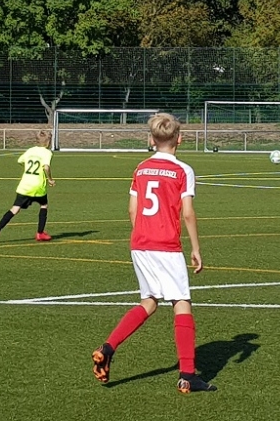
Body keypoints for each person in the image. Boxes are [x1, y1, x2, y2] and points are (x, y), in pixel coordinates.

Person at [91, 113, 215, 394]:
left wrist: (142, 236)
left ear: (151, 139)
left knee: (148, 302)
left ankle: (108, 348)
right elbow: (188, 213)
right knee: (181, 302)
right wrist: (196, 248)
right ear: (179, 139)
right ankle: (188, 375)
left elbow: (132, 210)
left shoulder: (141, 168)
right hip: (166, 245)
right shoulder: (183, 170)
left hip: (140, 243)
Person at [0, 130, 55, 242]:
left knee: (15, 209)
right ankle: (40, 233)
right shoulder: (47, 153)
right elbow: (46, 167)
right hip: (37, 186)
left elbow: (20, 161)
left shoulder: (30, 150)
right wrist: (50, 179)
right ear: (48, 141)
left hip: (24, 185)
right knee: (44, 205)